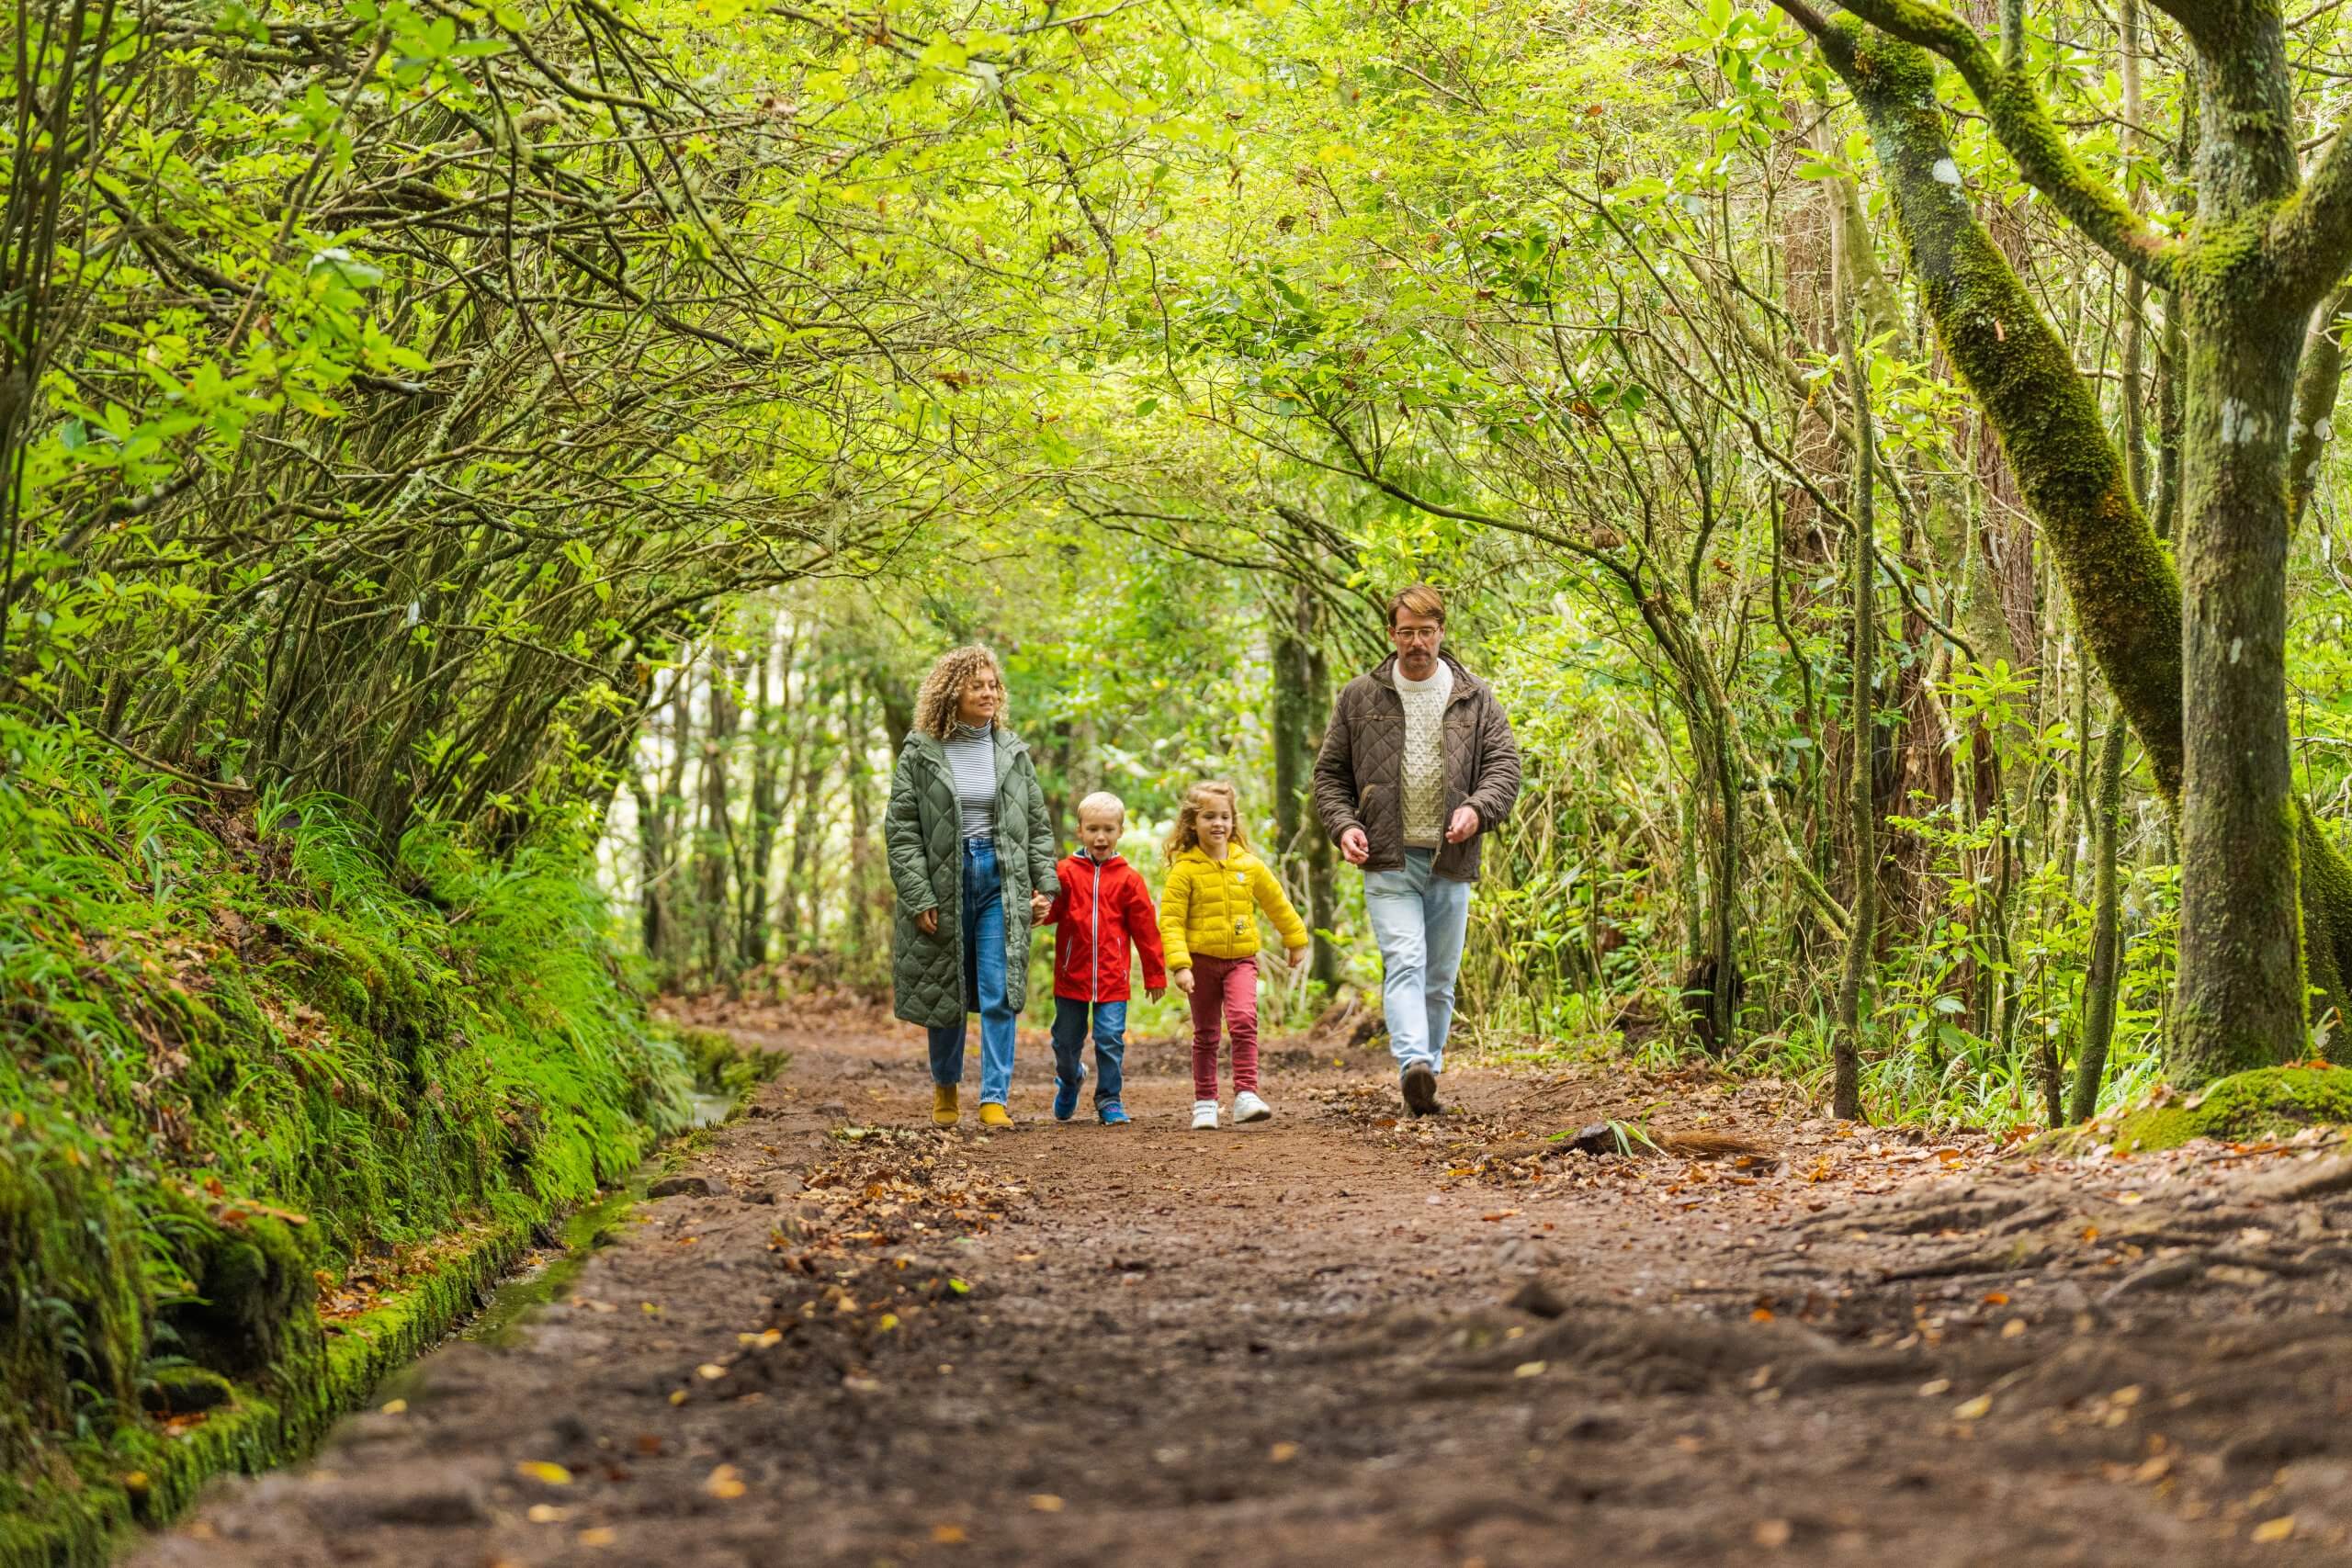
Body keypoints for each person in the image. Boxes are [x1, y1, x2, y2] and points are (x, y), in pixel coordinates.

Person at [1313, 584, 1521, 1118]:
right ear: (1392, 635)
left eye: (1426, 632)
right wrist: (1342, 827)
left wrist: (1477, 808)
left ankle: (1428, 1072)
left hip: (1451, 858)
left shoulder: (1477, 696)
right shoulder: (1359, 696)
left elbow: (1503, 768)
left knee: (1439, 978)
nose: (1416, 643)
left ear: (1441, 633)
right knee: (1404, 960)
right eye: (1406, 632)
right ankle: (1413, 1065)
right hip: (1388, 856)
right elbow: (1330, 775)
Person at [886, 647, 1057, 1130]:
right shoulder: (920, 751)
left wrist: (1045, 885)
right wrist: (919, 894)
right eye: (977, 684)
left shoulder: (1012, 751)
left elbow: (1038, 825)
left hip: (1000, 878)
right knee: (947, 988)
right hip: (946, 879)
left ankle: (994, 1098)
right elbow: (901, 830)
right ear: (951, 692)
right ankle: (945, 1086)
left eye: (993, 685)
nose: (988, 692)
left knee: (1000, 989)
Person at [1158, 780, 1310, 1131]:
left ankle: (1246, 1095)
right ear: (1192, 823)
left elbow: (1278, 904)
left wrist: (1295, 939)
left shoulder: (1249, 865)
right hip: (1199, 963)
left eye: (1224, 816)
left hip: (1241, 960)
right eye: (1209, 816)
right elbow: (1171, 922)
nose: (1218, 824)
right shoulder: (1185, 871)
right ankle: (1206, 1102)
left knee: (1243, 1021)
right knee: (1207, 1034)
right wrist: (1180, 966)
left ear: (1233, 821)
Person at [1044, 792, 1167, 1126]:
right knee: (1065, 1040)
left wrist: (1155, 974)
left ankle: (1109, 1098)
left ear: (1120, 833)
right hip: (1072, 975)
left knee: (1110, 1038)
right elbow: (1051, 912)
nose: (1101, 837)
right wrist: (1035, 910)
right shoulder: (1065, 872)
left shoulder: (1129, 879)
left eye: (1109, 829)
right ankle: (1070, 1079)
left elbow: (1146, 931)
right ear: (1080, 832)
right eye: (1093, 829)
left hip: (1113, 978)